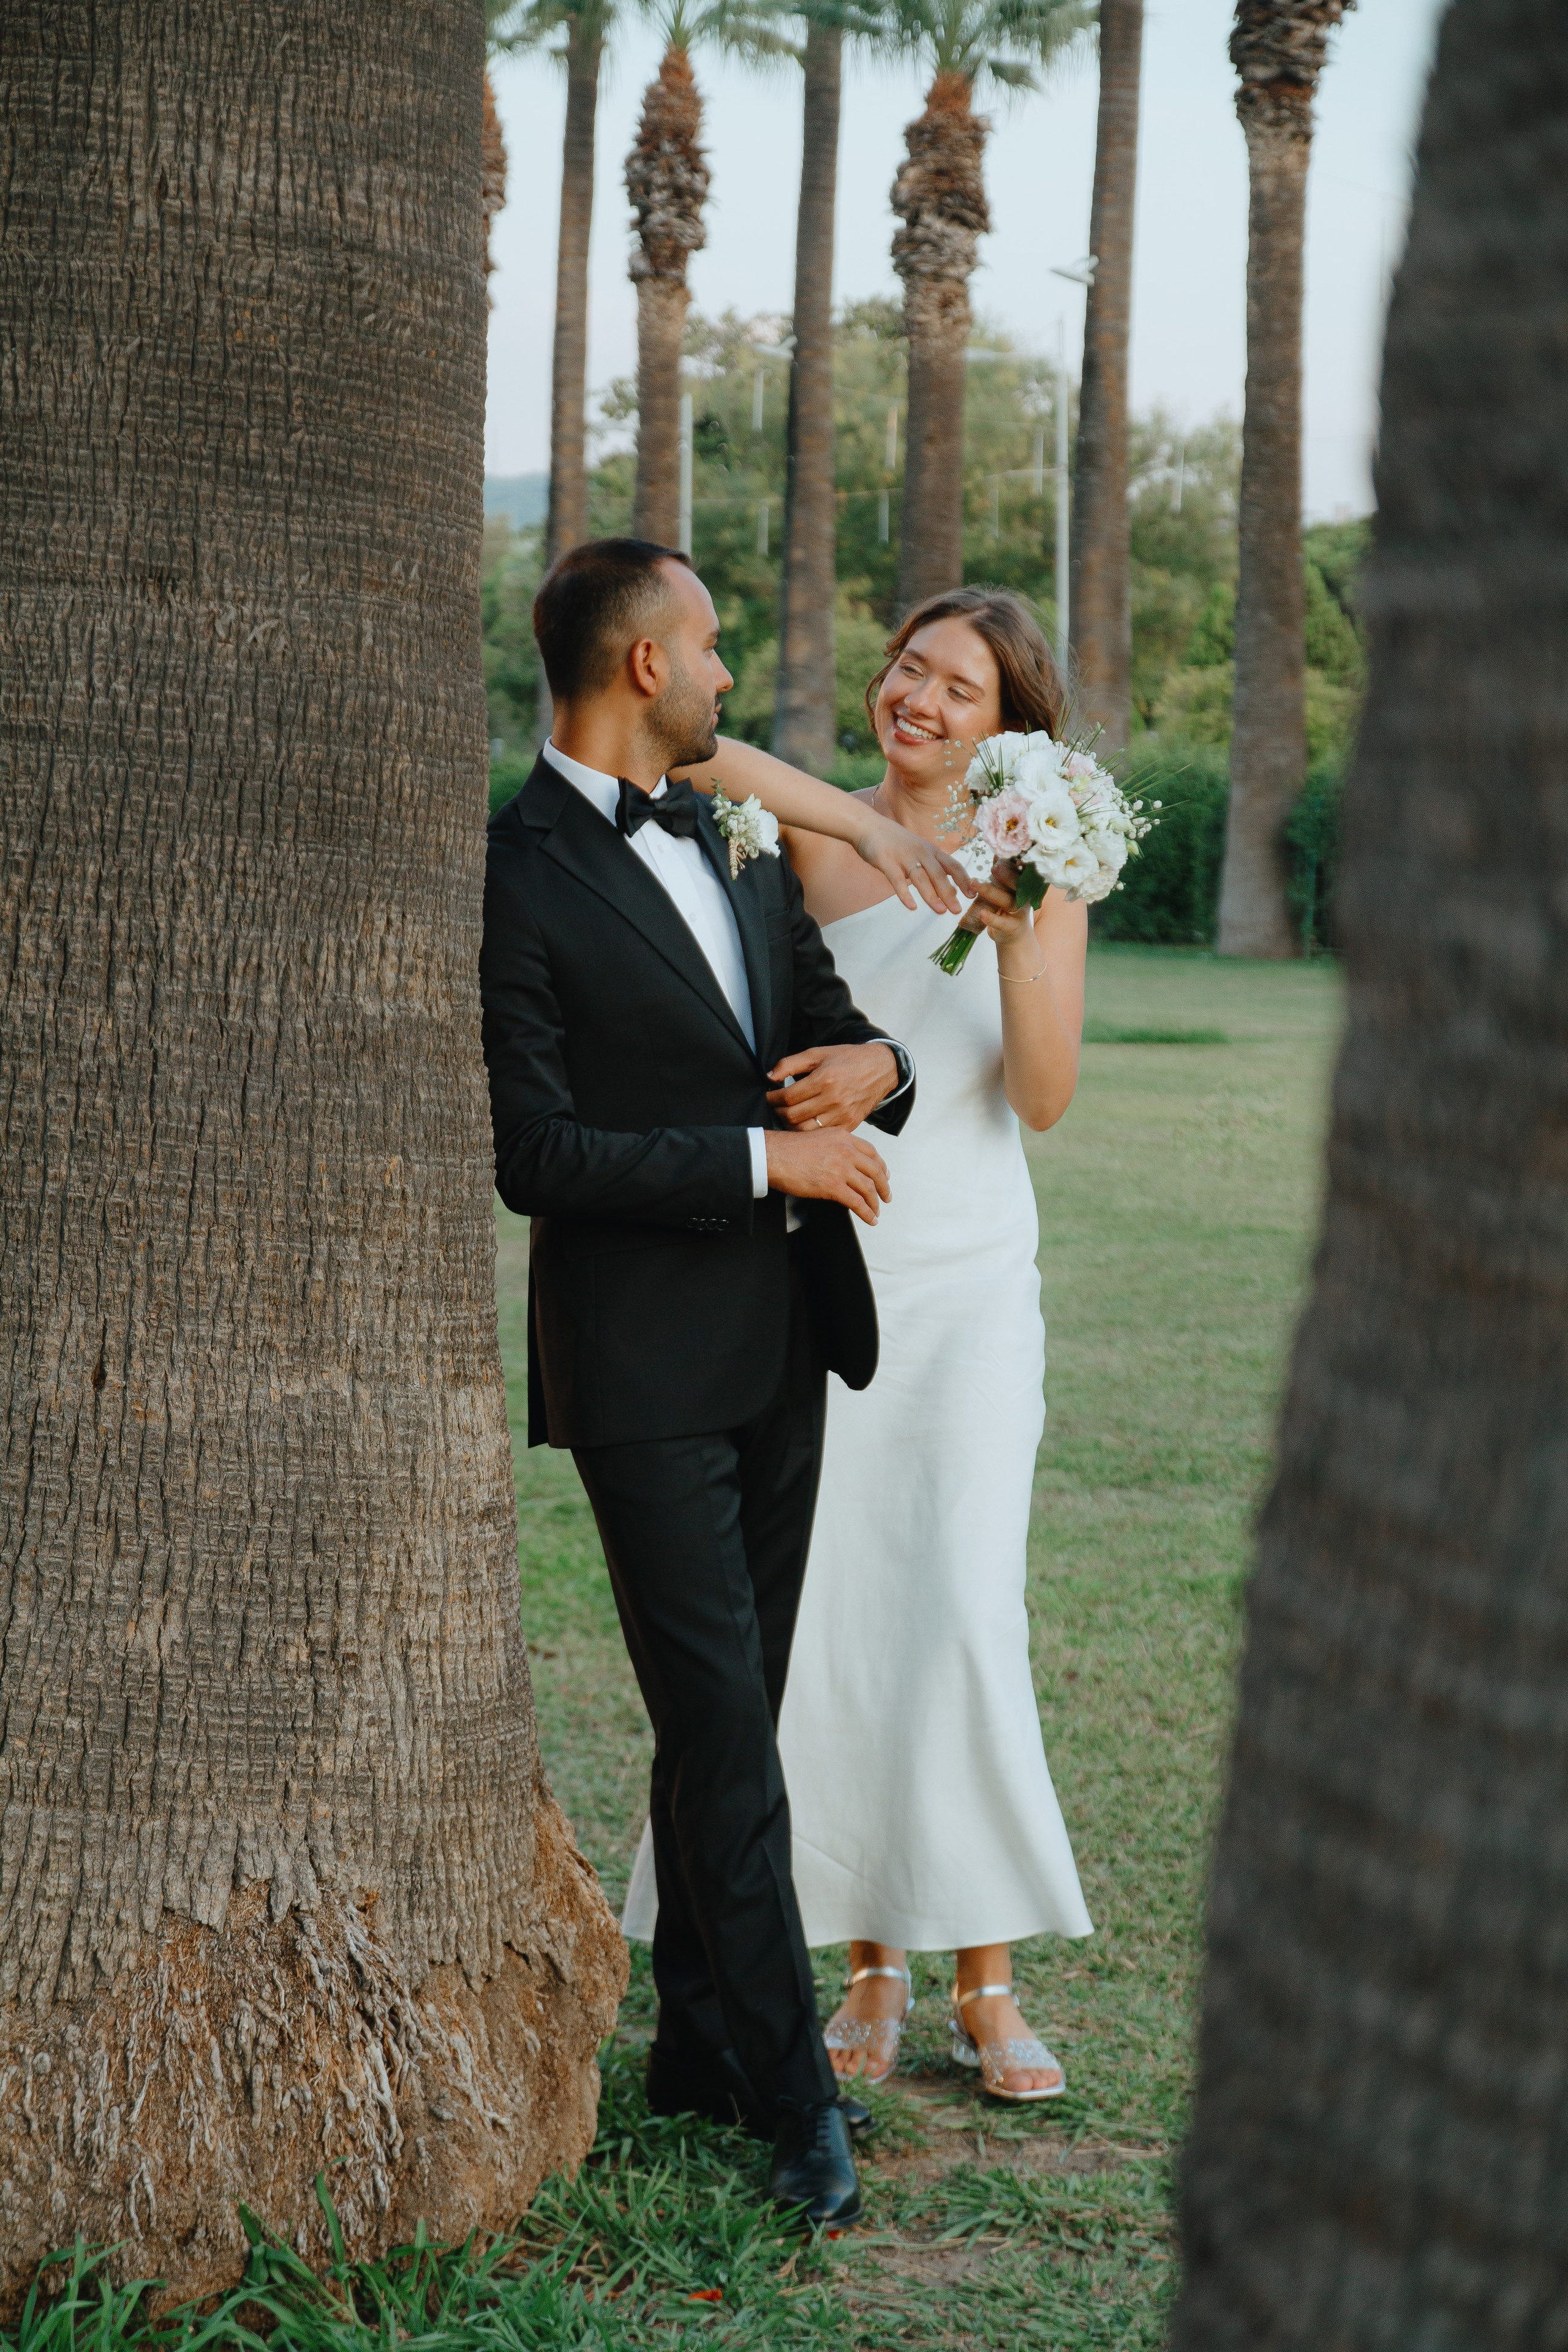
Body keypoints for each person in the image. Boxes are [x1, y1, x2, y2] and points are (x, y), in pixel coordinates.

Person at [479, 539, 965, 2226]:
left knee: (734, 1721)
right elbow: (534, 1151)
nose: (725, 680)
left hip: (783, 1346)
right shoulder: (520, 867)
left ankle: (697, 2038)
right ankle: (790, 2093)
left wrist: (881, 1065)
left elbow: (840, 1035)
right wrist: (767, 1161)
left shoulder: (737, 832)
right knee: (719, 1727)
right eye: (709, 651)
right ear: (640, 671)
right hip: (639, 1371)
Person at [622, 587, 1093, 2101]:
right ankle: (868, 1969)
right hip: (824, 1280)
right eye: (909, 669)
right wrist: (877, 831)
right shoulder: (815, 840)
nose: (921, 701)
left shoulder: (1050, 867)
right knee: (825, 1622)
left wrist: (1010, 927)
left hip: (964, 1293)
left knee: (956, 1608)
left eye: (960, 689)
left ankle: (986, 1980)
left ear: (1012, 730)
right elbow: (696, 764)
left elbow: (1040, 1097)